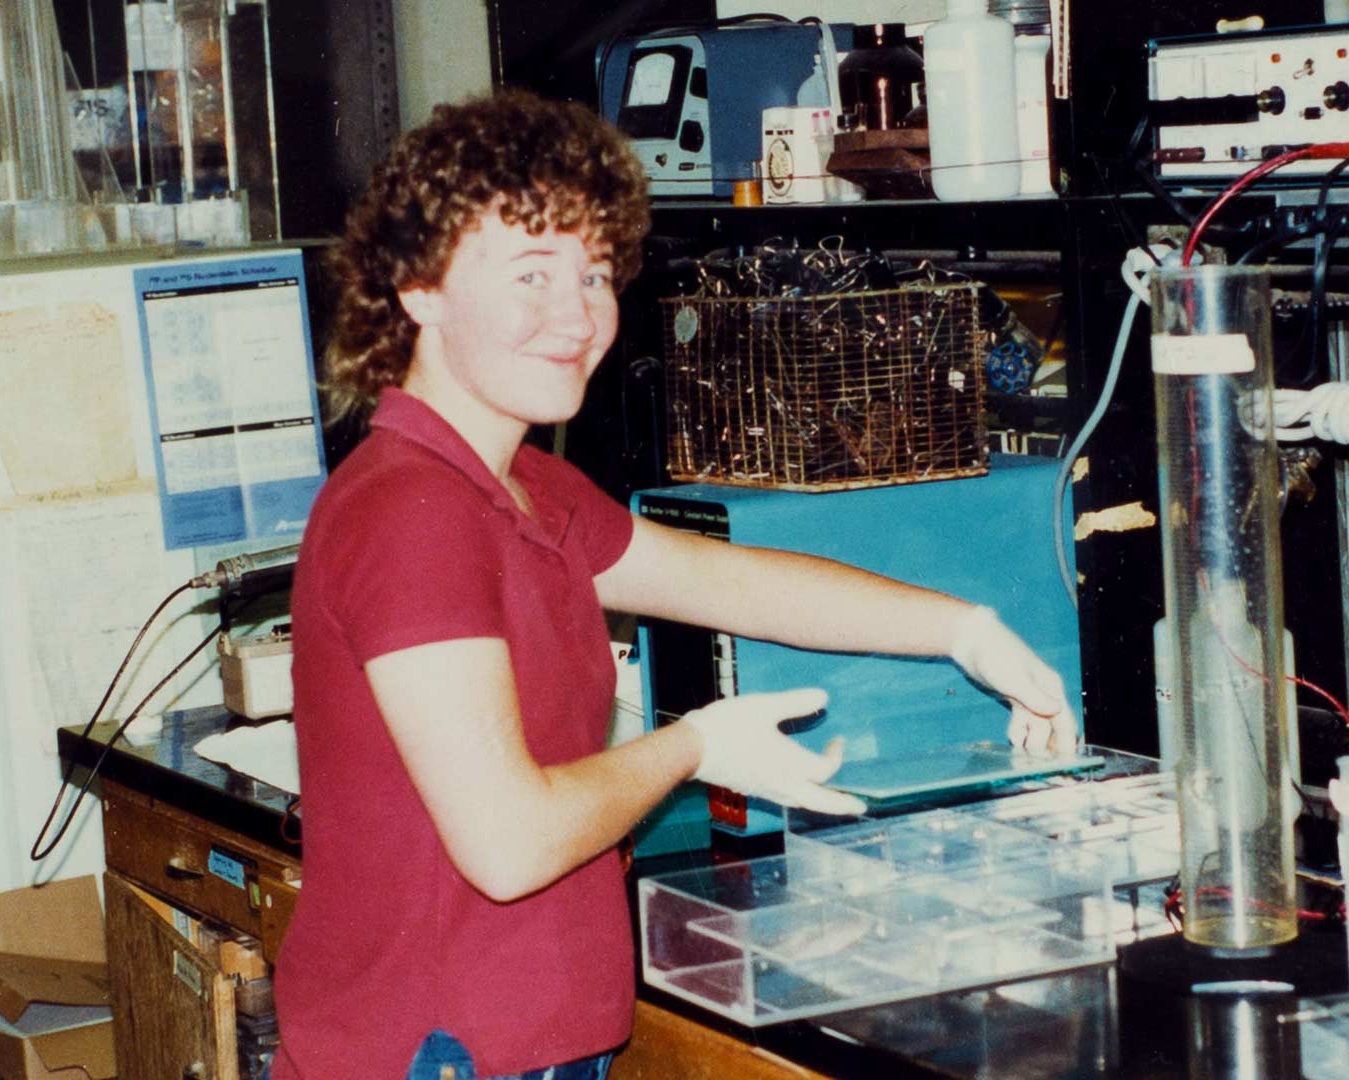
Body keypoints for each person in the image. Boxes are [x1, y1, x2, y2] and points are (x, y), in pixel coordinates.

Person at [274, 88, 1072, 1080]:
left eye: (596, 274)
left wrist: (966, 629)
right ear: (417, 287)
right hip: (435, 1052)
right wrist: (694, 745)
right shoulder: (410, 513)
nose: (577, 316)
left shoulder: (521, 486)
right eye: (532, 272)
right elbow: (509, 842)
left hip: (514, 1039)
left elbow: (733, 584)